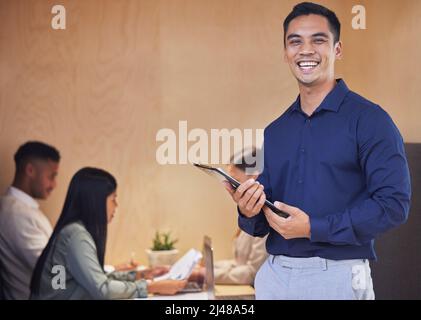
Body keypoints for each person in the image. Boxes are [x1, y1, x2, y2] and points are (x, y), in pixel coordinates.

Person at [224, 2, 411, 300]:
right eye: (295, 41)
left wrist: (314, 228)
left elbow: (393, 204)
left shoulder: (371, 120)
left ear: (337, 50)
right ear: (286, 52)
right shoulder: (276, 131)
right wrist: (247, 210)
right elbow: (265, 218)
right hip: (274, 276)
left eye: (318, 40)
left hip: (337, 277)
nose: (305, 50)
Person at [30, 167, 186, 299]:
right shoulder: (76, 235)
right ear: (96, 201)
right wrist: (150, 287)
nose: (116, 206)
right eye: (113, 199)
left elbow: (98, 278)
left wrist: (141, 275)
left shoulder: (74, 231)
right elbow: (102, 289)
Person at [0, 141, 60, 299]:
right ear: (30, 170)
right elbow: (53, 273)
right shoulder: (16, 214)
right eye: (51, 176)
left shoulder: (23, 210)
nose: (54, 184)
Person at [214, 149, 268, 285]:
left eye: (235, 181)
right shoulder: (248, 214)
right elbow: (239, 264)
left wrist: (205, 275)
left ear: (255, 178)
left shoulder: (265, 219)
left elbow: (252, 273)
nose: (231, 187)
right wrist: (208, 269)